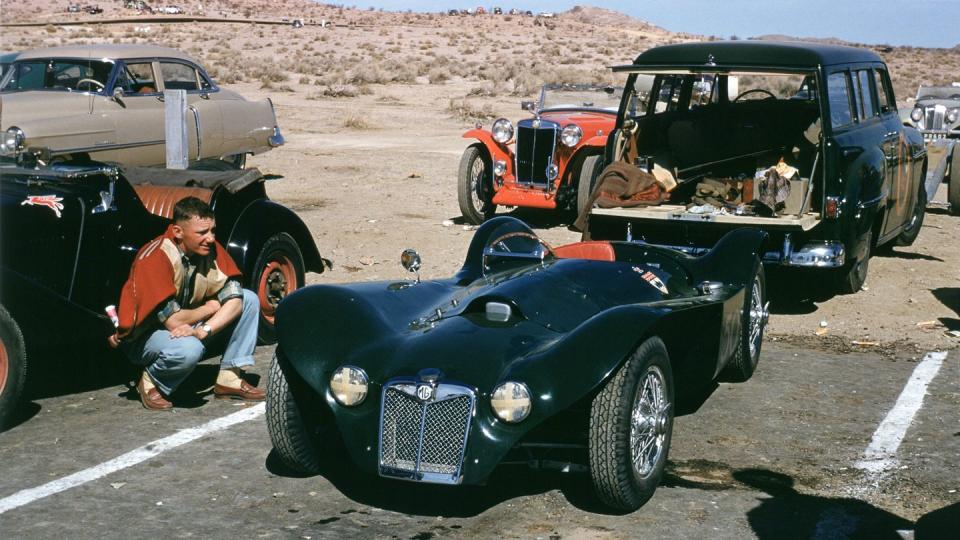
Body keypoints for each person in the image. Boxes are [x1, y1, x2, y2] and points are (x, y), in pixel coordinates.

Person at [108, 196, 265, 410]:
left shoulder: (210, 249)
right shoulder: (156, 257)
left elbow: (235, 299)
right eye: (202, 232)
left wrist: (205, 331)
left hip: (188, 326)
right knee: (189, 349)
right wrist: (210, 308)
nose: (210, 238)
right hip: (145, 337)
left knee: (249, 299)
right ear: (178, 232)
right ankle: (151, 380)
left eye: (212, 231)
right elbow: (174, 321)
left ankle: (229, 378)